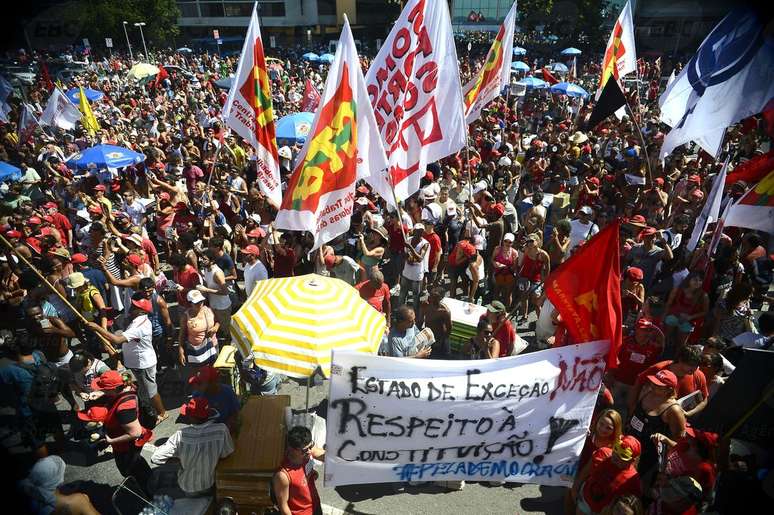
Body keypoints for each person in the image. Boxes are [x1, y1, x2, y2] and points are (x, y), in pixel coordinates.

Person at [87, 292, 168, 424]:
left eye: (134, 306)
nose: (131, 307)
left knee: (151, 390)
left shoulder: (139, 326)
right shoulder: (138, 321)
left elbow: (118, 339)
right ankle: (148, 408)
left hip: (144, 363)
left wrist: (97, 328)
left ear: (141, 311)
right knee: (143, 388)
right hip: (137, 361)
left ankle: (162, 413)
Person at [150, 397, 234, 495]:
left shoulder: (180, 435)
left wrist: (180, 460)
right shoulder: (221, 430)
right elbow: (226, 453)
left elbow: (155, 457)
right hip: (210, 483)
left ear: (192, 418)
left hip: (187, 486)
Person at [88, 370, 154, 495]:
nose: (102, 390)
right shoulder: (126, 387)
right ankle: (148, 482)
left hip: (127, 447)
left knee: (132, 469)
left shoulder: (124, 408)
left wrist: (111, 441)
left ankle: (151, 494)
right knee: (138, 465)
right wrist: (100, 394)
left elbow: (135, 433)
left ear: (114, 388)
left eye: (104, 388)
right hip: (127, 445)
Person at [626, 370, 686, 480]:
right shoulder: (647, 392)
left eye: (658, 385)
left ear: (669, 389)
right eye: (653, 382)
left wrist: (665, 439)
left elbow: (680, 445)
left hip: (647, 459)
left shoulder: (674, 410)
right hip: (628, 446)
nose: (653, 386)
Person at [576, 435, 642, 514]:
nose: (616, 456)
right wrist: (576, 487)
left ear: (632, 460)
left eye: (623, 456)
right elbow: (585, 472)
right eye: (616, 449)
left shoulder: (633, 479)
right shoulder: (603, 453)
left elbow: (632, 505)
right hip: (585, 500)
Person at [18, 455, 99, 515]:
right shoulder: (76, 501)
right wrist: (84, 500)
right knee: (85, 497)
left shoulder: (27, 492)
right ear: (58, 480)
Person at [273, 425, 326, 515]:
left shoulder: (306, 453)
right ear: (292, 449)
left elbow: (323, 455)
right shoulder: (283, 475)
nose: (309, 451)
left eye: (311, 446)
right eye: (305, 450)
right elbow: (283, 505)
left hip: (315, 506)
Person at [188, 366, 240, 430]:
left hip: (225, 427)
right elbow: (194, 418)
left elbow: (235, 413)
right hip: (205, 428)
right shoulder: (197, 395)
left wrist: (225, 428)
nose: (198, 386)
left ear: (214, 382)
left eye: (201, 383)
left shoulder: (227, 391)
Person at [197, 250, 232, 341]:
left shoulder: (217, 273)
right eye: (201, 258)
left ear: (212, 261)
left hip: (222, 307)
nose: (201, 260)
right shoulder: (206, 269)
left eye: (204, 259)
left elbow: (225, 292)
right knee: (217, 326)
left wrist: (207, 290)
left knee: (226, 330)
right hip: (214, 305)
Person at [398, 223, 429, 313]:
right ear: (414, 231)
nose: (419, 233)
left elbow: (420, 258)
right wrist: (407, 258)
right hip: (407, 271)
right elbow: (404, 254)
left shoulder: (425, 244)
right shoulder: (408, 240)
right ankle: (400, 311)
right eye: (417, 231)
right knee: (403, 293)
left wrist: (410, 247)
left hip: (417, 274)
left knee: (416, 296)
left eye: (421, 231)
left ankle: (414, 313)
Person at [417, 287, 452, 358]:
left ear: (441, 298)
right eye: (431, 295)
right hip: (428, 337)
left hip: (440, 338)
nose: (432, 298)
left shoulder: (444, 311)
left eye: (435, 297)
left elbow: (449, 328)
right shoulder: (425, 306)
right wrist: (418, 335)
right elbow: (420, 321)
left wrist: (441, 341)